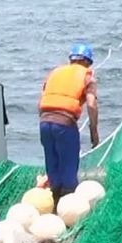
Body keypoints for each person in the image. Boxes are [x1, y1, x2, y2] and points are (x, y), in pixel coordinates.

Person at [38, 43, 100, 206]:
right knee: (69, 166)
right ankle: (68, 206)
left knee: (52, 164)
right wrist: (94, 132)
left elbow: (42, 98)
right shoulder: (88, 77)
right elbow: (92, 105)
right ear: (88, 62)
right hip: (65, 125)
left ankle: (54, 202)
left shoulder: (54, 73)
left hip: (44, 122)